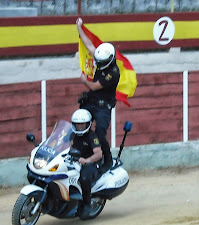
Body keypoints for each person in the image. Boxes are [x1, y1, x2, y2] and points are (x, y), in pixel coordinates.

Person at [76, 18, 120, 177]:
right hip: (91, 101)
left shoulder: (113, 73)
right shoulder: (102, 58)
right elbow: (89, 45)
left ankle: (107, 160)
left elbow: (94, 86)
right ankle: (78, 154)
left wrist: (84, 81)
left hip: (103, 106)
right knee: (78, 126)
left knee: (100, 134)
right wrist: (79, 28)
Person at [70, 109, 102, 220]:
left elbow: (98, 154)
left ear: (87, 124)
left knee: (84, 177)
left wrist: (86, 160)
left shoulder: (92, 137)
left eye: (82, 124)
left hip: (91, 164)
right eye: (77, 124)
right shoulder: (73, 135)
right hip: (75, 162)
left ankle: (87, 204)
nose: (79, 126)